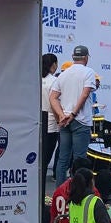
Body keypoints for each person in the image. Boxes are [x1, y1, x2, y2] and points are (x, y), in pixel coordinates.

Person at [50, 45, 97, 186]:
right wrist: (73, 113)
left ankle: (60, 192)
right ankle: (78, 192)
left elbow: (53, 97)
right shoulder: (88, 72)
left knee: (63, 159)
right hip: (80, 120)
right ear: (86, 57)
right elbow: (85, 93)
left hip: (65, 121)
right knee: (79, 160)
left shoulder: (64, 74)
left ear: (73, 57)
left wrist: (62, 115)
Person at [41, 53, 59, 182]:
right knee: (45, 158)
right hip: (50, 120)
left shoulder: (35, 78)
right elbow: (54, 103)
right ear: (53, 65)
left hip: (36, 119)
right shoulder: (53, 81)